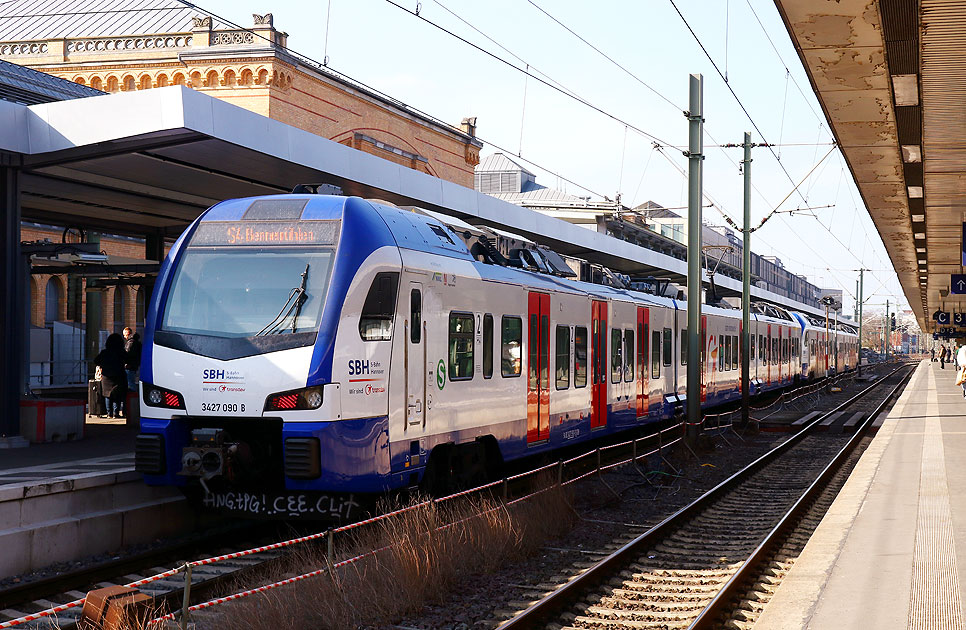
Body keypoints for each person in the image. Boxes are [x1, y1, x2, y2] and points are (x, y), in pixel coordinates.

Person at [94, 333, 128, 419]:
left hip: (106, 376)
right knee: (118, 395)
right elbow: (128, 359)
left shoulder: (104, 352)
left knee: (107, 395)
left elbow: (96, 361)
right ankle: (116, 413)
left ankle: (109, 413)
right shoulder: (121, 352)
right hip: (119, 375)